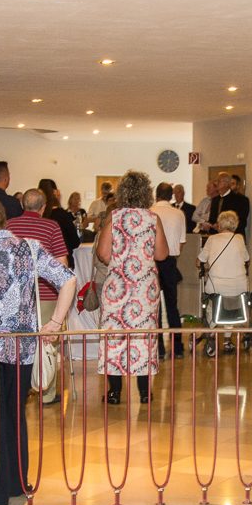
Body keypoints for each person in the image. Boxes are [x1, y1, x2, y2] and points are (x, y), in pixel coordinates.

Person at [0, 198, 75, 505]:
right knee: (14, 412)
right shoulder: (30, 248)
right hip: (22, 347)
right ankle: (19, 482)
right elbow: (68, 278)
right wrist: (55, 322)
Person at [97, 171, 167, 404]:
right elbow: (162, 254)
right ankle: (145, 392)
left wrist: (120, 262)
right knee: (144, 336)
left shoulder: (114, 217)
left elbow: (103, 253)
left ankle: (115, 392)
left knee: (114, 336)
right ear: (147, 192)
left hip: (118, 286)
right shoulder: (153, 219)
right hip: (145, 288)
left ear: (122, 192)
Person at [6, 188, 70, 405]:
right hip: (45, 293)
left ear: (22, 204)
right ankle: (46, 392)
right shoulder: (51, 226)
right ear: (43, 207)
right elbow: (62, 263)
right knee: (47, 342)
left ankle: (20, 389)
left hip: (17, 297)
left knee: (19, 343)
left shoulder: (9, 226)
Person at [199, 210, 250, 353]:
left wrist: (204, 264)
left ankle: (211, 335)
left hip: (217, 287)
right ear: (235, 224)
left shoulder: (212, 239)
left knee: (210, 307)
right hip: (239, 287)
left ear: (220, 224)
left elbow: (200, 260)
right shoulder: (239, 238)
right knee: (231, 307)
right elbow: (246, 259)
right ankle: (227, 340)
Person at [151, 182, 187, 359]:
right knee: (173, 307)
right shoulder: (179, 214)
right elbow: (181, 243)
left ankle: (158, 349)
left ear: (156, 194)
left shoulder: (150, 212)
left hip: (152, 263)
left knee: (154, 308)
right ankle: (177, 347)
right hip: (171, 261)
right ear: (171, 196)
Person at [37, 178, 81, 265]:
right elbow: (75, 241)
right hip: (62, 261)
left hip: (41, 262)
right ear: (55, 193)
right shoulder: (63, 215)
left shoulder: (39, 215)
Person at [208, 172, 250, 237]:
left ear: (226, 183)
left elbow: (241, 222)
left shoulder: (241, 199)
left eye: (219, 181)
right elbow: (212, 219)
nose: (216, 183)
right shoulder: (215, 200)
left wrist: (223, 228)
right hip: (216, 237)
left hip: (233, 237)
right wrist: (210, 225)